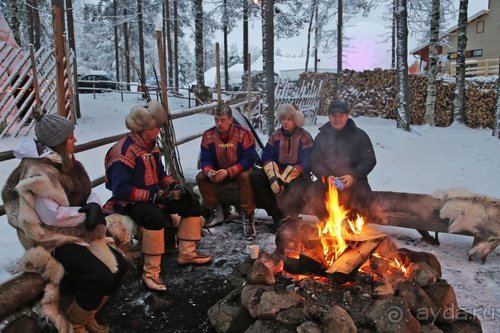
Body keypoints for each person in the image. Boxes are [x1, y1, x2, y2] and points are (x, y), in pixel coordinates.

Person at [2, 113, 127, 333]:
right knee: (99, 276)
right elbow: (52, 216)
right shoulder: (37, 171)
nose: (75, 140)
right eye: (70, 137)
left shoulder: (65, 161)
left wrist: (94, 205)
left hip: (76, 229)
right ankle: (75, 323)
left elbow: (87, 192)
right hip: (52, 238)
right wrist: (85, 213)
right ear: (58, 142)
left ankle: (87, 315)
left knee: (120, 266)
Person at [103, 101, 211, 292]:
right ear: (145, 129)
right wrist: (154, 197)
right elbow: (120, 190)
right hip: (130, 203)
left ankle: (187, 253)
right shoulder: (123, 152)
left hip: (156, 197)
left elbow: (160, 175)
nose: (159, 131)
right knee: (154, 217)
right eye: (156, 127)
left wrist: (175, 185)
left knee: (191, 203)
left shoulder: (151, 147)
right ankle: (151, 271)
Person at [196, 103, 258, 240]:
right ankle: (216, 211)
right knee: (201, 177)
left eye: (223, 120)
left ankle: (248, 215)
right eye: (216, 120)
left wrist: (229, 171)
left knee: (246, 175)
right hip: (219, 173)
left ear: (230, 120)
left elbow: (249, 159)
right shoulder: (208, 135)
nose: (219, 123)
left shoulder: (244, 134)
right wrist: (210, 172)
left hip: (238, 172)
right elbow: (205, 159)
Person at [307, 100, 377, 220]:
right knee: (312, 193)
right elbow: (315, 162)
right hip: (329, 181)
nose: (337, 119)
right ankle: (328, 224)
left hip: (355, 181)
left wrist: (353, 176)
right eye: (334, 116)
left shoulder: (360, 135)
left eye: (341, 116)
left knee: (362, 195)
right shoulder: (321, 137)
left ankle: (352, 227)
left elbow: (369, 160)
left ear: (347, 116)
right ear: (329, 116)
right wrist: (327, 176)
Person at [251, 104, 314, 229]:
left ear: (296, 120)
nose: (285, 122)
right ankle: (276, 216)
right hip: (276, 172)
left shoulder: (305, 137)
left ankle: (290, 218)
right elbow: (267, 155)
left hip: (298, 174)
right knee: (256, 176)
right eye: (283, 119)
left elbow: (308, 160)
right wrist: (274, 175)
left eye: (289, 119)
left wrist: (292, 172)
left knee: (295, 187)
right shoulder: (276, 136)